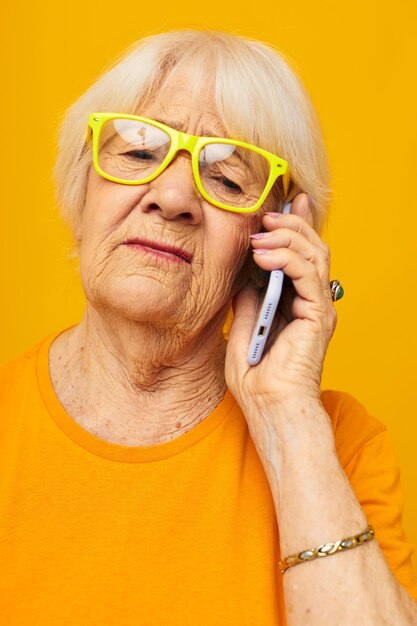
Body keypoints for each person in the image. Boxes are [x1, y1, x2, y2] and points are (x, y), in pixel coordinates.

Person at [1, 29, 417, 626]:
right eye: (139, 151)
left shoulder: (341, 447)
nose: (173, 197)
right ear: (82, 184)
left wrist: (286, 418)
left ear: (270, 240)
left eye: (227, 179)